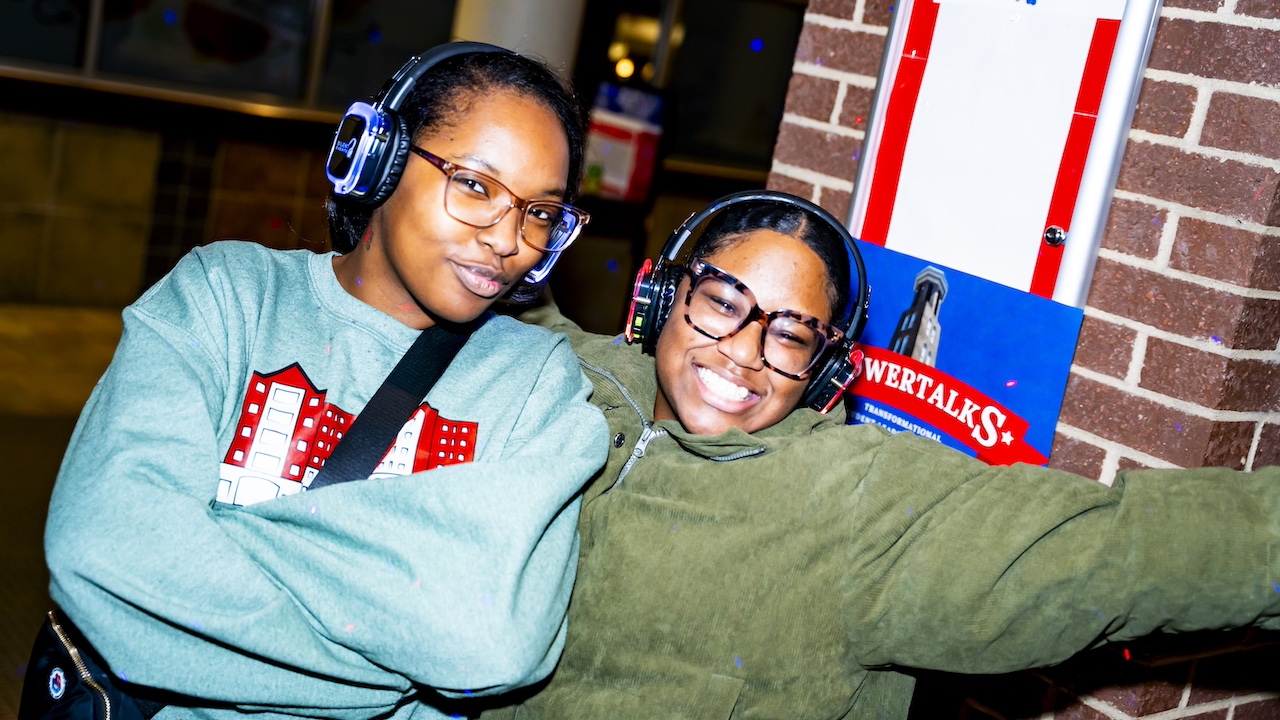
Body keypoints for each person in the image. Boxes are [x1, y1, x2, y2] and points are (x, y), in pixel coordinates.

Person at [480, 191, 1280, 720]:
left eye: (790, 333)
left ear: (826, 371)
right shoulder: (565, 375)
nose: (744, 355)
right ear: (659, 297)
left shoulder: (854, 502)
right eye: (724, 302)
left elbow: (1120, 551)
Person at [35, 43, 608, 720]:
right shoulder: (227, 296)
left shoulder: (538, 389)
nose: (509, 239)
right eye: (476, 185)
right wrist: (396, 671)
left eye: (540, 212)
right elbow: (108, 546)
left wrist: (219, 540)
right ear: (380, 159)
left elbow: (492, 639)